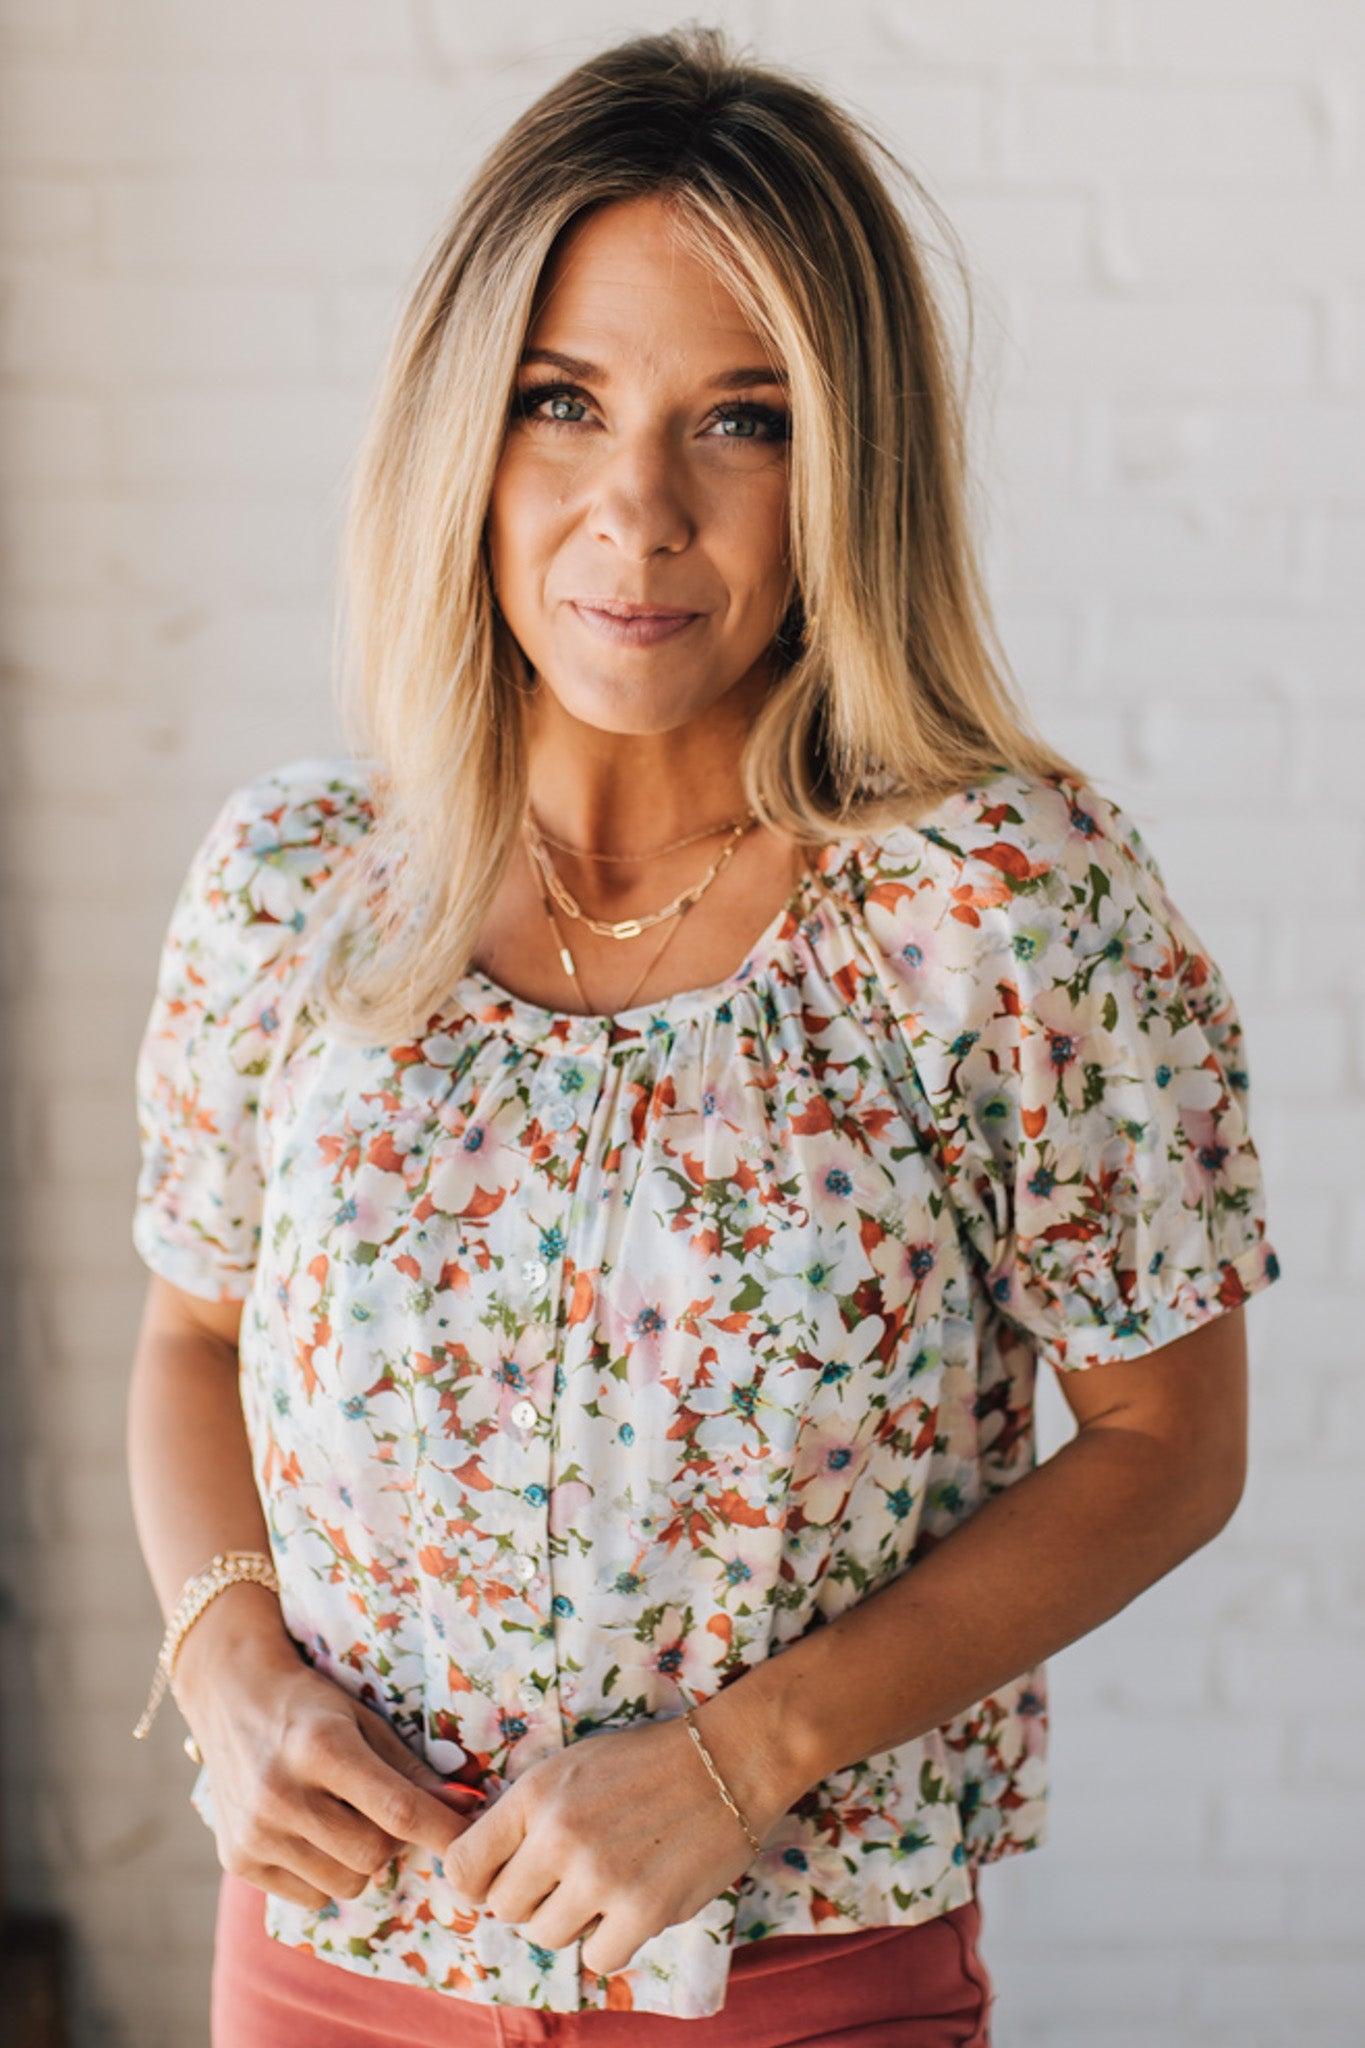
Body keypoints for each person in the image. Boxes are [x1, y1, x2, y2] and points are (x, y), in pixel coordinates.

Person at [125, 25, 1282, 2048]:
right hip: (321, 1978)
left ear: (844, 466)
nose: (635, 511)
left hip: (797, 1993)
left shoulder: (996, 906)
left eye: (739, 420)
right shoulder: (290, 889)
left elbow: (1166, 1442)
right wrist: (223, 1645)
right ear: (460, 434)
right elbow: (191, 1336)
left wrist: (739, 1763)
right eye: (562, 402)